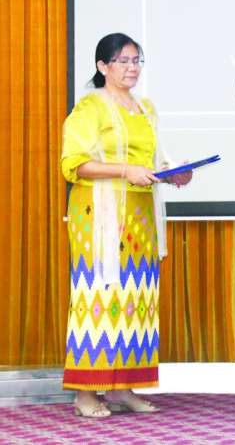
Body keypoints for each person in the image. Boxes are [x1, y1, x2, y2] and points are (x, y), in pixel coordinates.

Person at [61, 33, 193, 418]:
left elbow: (150, 162)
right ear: (102, 66)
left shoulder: (144, 107)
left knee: (135, 298)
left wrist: (171, 174)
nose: (132, 68)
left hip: (139, 215)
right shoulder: (90, 107)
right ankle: (85, 393)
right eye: (123, 61)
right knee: (98, 297)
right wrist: (124, 170)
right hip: (99, 215)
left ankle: (122, 388)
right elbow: (73, 164)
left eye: (137, 61)